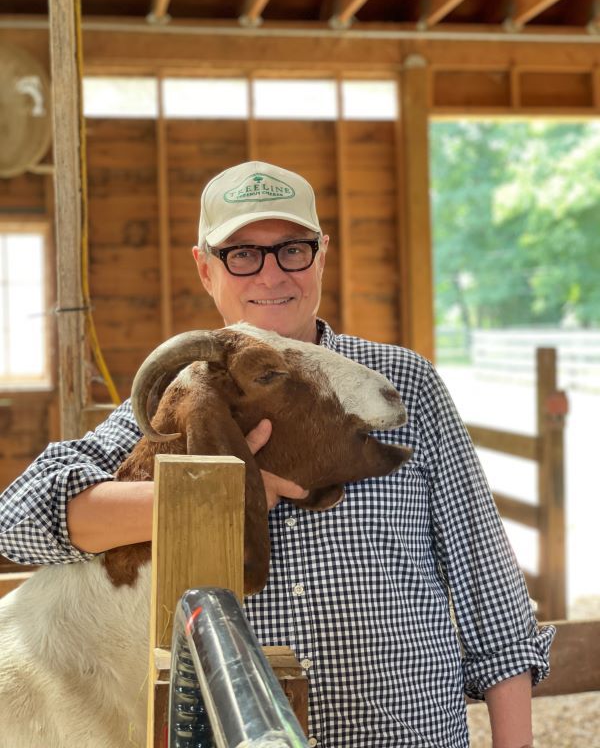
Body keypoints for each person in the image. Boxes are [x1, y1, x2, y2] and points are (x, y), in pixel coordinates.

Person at [0, 160, 553, 747]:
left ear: (321, 255)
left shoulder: (402, 384)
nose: (271, 274)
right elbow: (17, 523)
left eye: (292, 249)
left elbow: (488, 588)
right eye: (242, 254)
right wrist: (214, 494)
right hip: (245, 731)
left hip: (406, 733)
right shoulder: (182, 397)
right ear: (205, 268)